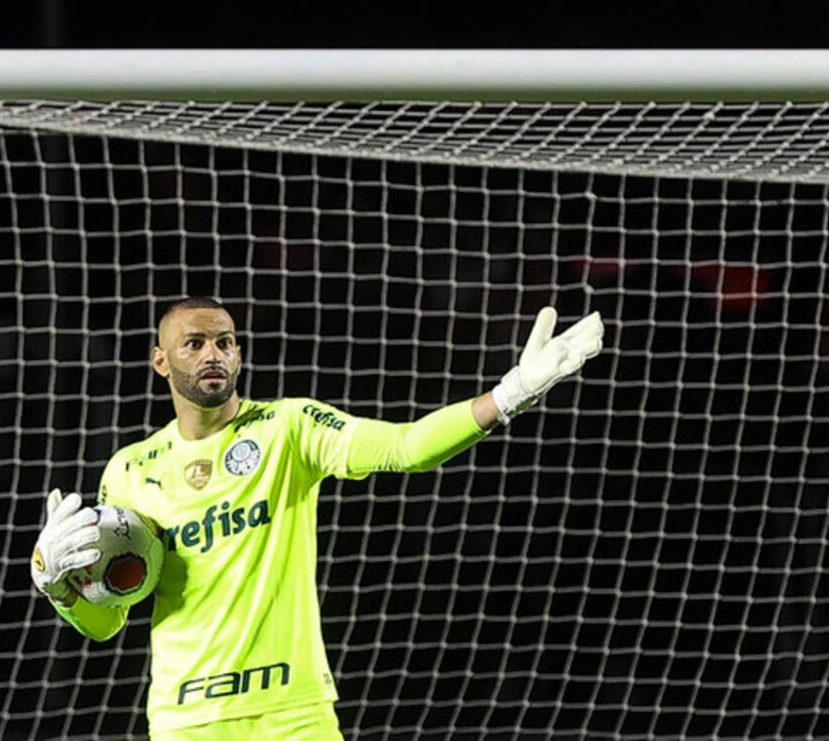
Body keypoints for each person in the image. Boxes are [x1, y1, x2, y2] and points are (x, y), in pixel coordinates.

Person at [31, 297, 603, 740]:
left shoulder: (289, 428)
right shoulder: (129, 471)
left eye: (225, 342)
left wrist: (511, 394)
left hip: (293, 714)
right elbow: (107, 623)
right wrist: (58, 587)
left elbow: (404, 448)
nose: (214, 355)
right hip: (186, 722)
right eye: (195, 343)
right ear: (160, 360)